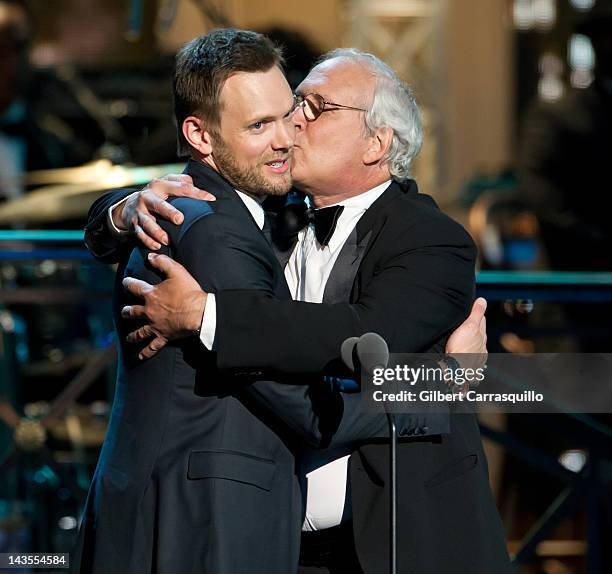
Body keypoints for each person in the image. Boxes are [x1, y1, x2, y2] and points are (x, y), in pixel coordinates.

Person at [85, 41, 511, 574]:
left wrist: (205, 317)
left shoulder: (431, 240)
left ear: (377, 142)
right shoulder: (261, 211)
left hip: (391, 543)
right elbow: (153, 210)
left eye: (315, 108)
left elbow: (362, 339)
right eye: (290, 108)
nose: (293, 127)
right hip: (273, 536)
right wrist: (124, 210)